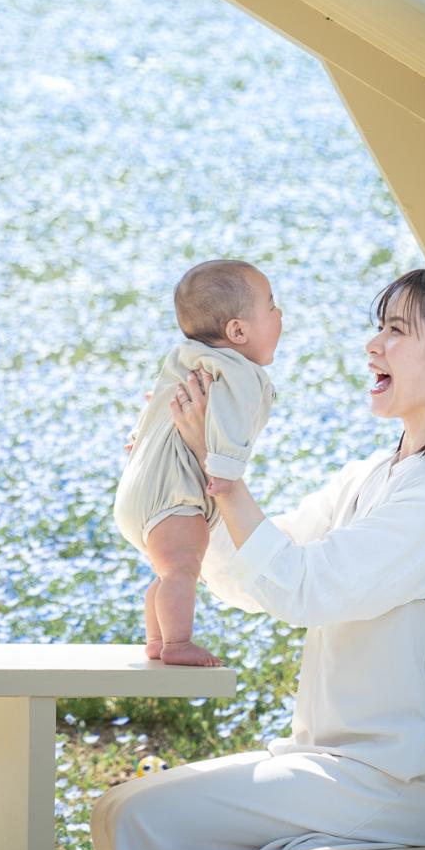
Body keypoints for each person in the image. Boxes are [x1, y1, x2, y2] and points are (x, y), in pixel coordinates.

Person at [91, 266, 425, 850]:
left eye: (395, 331)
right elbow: (249, 578)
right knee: (122, 807)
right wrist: (177, 485)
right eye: (377, 327)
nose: (371, 346)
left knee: (145, 816)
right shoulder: (374, 476)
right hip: (330, 766)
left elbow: (304, 589)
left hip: (396, 785)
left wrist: (225, 478)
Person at [113, 259, 281, 667]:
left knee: (170, 570)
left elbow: (156, 407)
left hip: (140, 488)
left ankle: (157, 639)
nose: (280, 315)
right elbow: (226, 432)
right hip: (176, 493)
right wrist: (225, 472)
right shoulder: (242, 374)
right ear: (238, 331)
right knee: (182, 567)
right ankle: (177, 643)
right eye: (272, 306)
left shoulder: (182, 358)